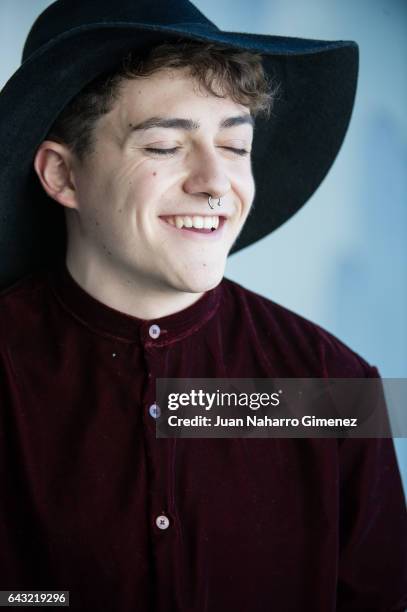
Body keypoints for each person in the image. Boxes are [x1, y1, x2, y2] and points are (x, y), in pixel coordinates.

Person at [0, 1, 405, 611]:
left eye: (236, 147)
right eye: (165, 145)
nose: (216, 182)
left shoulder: (332, 388)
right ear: (63, 176)